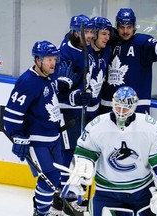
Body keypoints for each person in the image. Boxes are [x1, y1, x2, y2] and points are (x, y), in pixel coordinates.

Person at [61, 86, 157, 215]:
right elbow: (85, 153)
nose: (121, 111)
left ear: (134, 107)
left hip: (141, 192)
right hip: (107, 192)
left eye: (126, 107)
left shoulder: (149, 128)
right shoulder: (97, 126)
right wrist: (79, 175)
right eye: (118, 106)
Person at [3, 40, 64, 216]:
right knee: (49, 178)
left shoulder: (49, 76)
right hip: (37, 141)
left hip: (53, 138)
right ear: (38, 60)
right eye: (48, 59)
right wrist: (17, 135)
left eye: (54, 59)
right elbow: (11, 114)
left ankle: (40, 208)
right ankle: (42, 213)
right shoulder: (27, 81)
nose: (53, 63)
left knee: (55, 177)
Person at [57, 15, 113, 205]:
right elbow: (58, 88)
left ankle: (76, 190)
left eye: (91, 32)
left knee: (84, 152)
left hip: (91, 111)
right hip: (69, 112)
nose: (88, 36)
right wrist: (73, 95)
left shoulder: (96, 50)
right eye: (86, 32)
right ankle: (63, 196)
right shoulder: (68, 51)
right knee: (70, 151)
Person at [100, 8, 157, 115]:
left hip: (136, 110)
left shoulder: (141, 43)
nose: (125, 31)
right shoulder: (108, 43)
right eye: (122, 27)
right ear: (117, 27)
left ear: (134, 26)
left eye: (129, 27)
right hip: (108, 108)